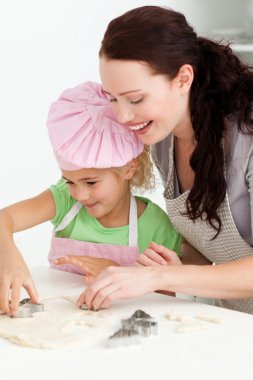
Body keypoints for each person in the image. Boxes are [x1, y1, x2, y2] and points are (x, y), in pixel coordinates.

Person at [77, 6, 253, 314]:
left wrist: (162, 275)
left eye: (135, 99)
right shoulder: (161, 140)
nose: (123, 116)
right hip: (235, 324)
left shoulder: (247, 136)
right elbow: (211, 247)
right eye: (113, 99)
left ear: (183, 78)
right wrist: (165, 266)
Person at [0, 81, 181, 315]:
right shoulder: (66, 201)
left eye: (91, 182)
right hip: (60, 319)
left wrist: (119, 272)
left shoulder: (156, 227)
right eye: (70, 181)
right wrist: (9, 255)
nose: (80, 194)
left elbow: (166, 296)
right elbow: (4, 218)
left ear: (128, 168)